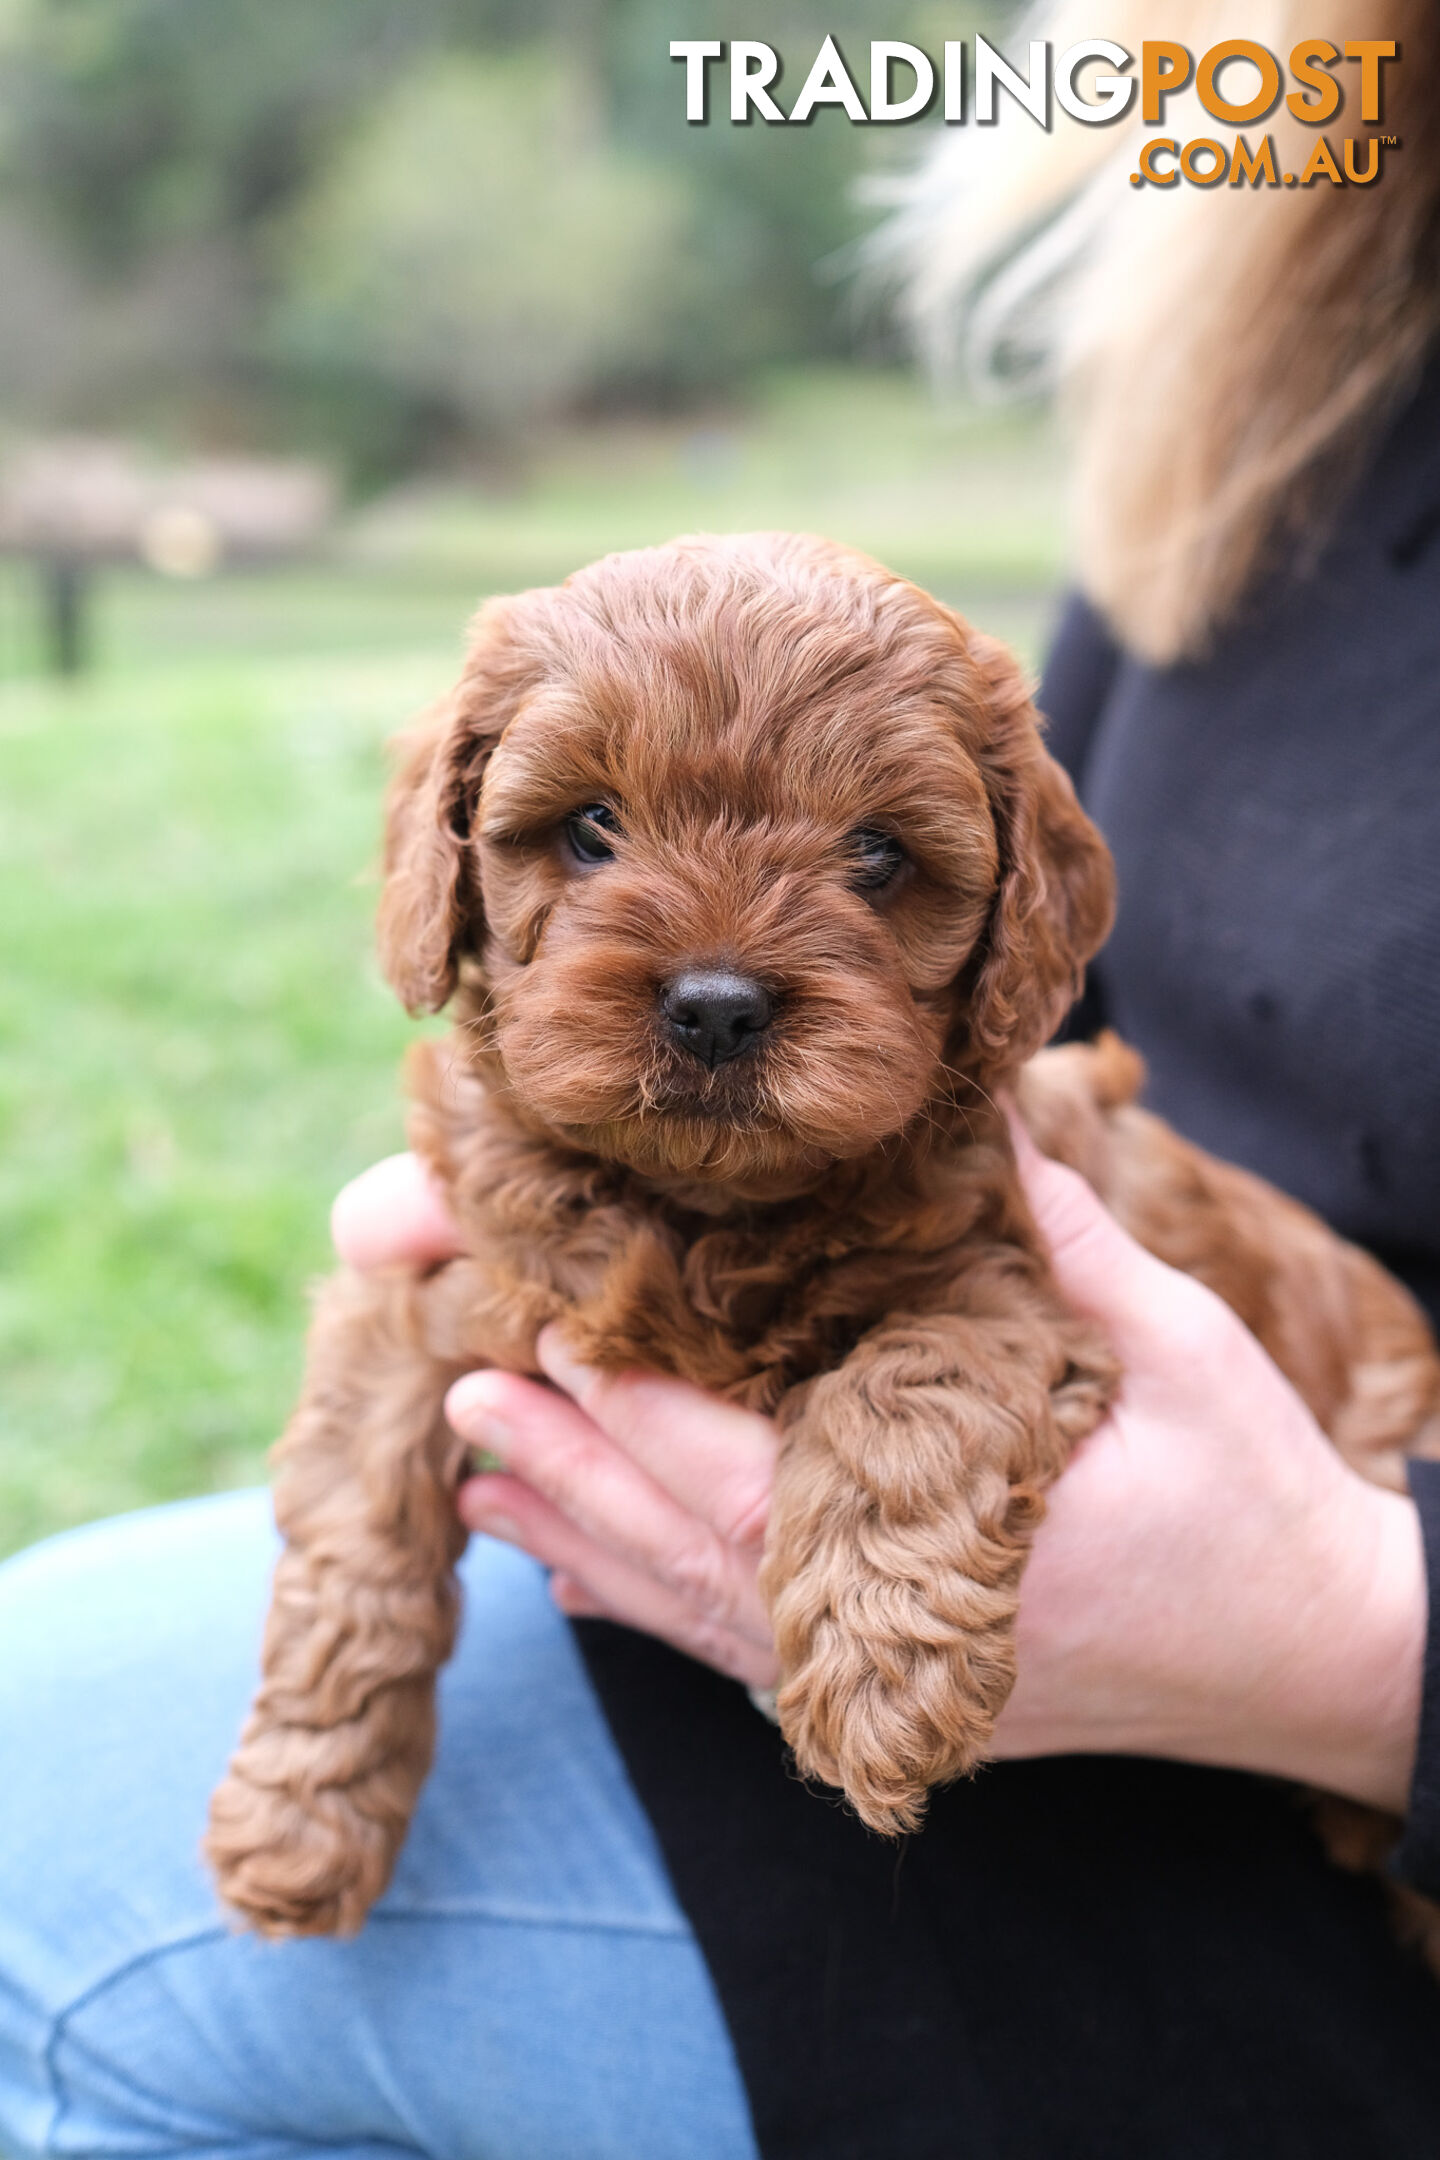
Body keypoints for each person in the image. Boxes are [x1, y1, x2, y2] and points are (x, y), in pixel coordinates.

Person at [5, 6, 1440, 2153]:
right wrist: (331, 1722)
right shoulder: (1298, 290)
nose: (715, 974)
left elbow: (989, 1305)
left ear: (992, 945)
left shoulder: (963, 1138)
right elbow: (397, 1358)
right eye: (585, 838)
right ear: (447, 878)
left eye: (875, 867)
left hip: (1251, 1764)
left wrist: (1355, 1656)